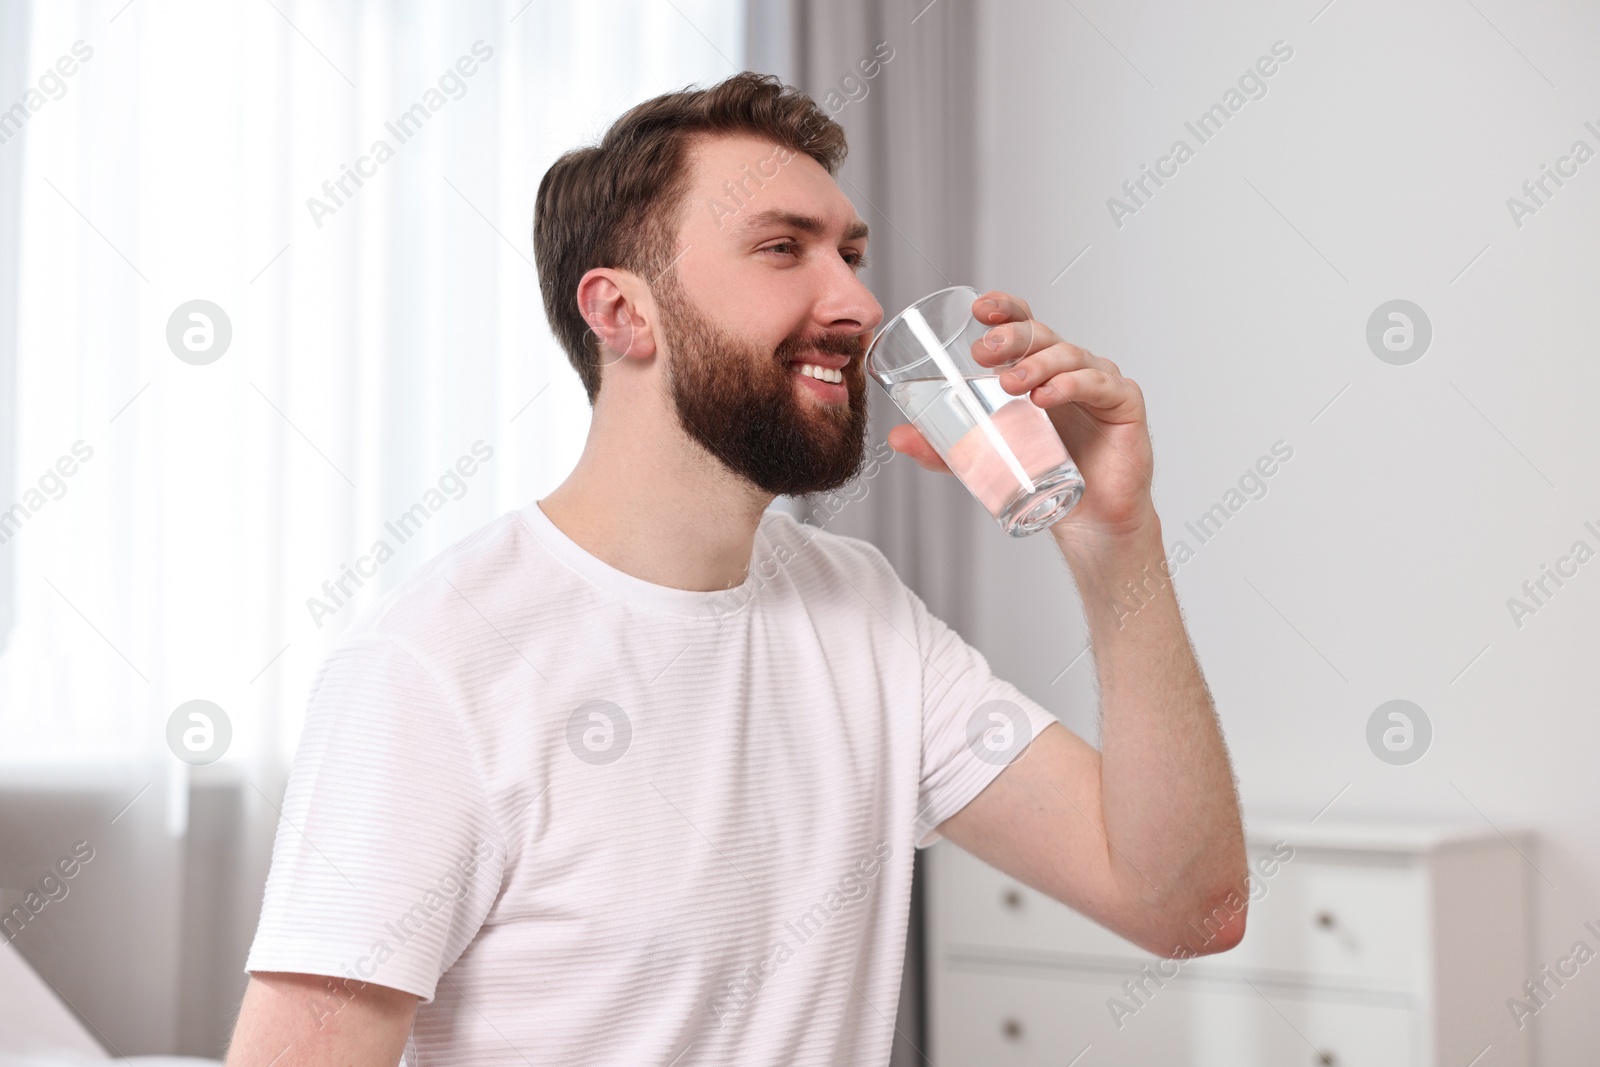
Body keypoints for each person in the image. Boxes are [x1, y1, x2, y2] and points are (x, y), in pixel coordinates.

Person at [224, 70, 1246, 1066]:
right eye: (781, 249)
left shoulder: (863, 612)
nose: (856, 301)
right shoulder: (433, 667)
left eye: (850, 253)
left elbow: (1185, 906)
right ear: (622, 312)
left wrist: (1117, 541)